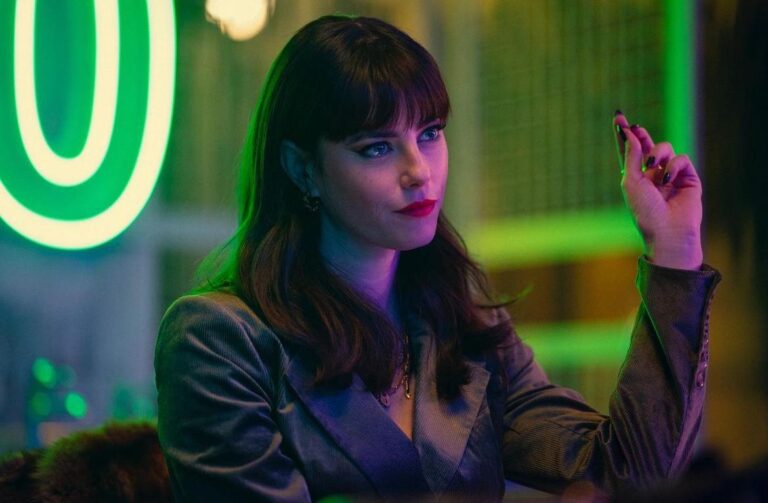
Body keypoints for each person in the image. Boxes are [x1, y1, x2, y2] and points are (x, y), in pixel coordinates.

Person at [154, 14, 721, 502]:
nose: (419, 171)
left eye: (429, 133)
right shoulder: (221, 339)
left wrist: (674, 250)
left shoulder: (461, 326)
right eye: (377, 147)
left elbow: (629, 474)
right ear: (303, 169)